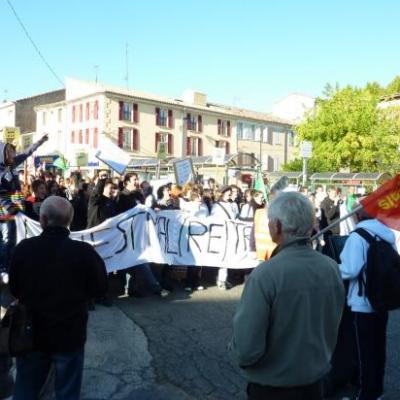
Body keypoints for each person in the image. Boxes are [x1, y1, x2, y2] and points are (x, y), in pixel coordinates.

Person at [230, 192, 345, 400]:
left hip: (273, 387)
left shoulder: (265, 275)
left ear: (276, 226)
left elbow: (247, 349)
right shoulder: (330, 267)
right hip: (315, 382)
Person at [9, 196, 108, 400]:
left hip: (31, 334)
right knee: (67, 392)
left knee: (26, 387)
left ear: (42, 220)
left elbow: (14, 288)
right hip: (69, 334)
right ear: (69, 222)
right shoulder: (84, 253)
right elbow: (100, 289)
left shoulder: (24, 249)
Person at [339, 206, 395, 400]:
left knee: (364, 353)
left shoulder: (357, 236)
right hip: (382, 300)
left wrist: (332, 268)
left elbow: (350, 270)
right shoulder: (387, 236)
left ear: (357, 216)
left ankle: (365, 395)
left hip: (362, 302)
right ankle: (376, 391)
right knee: (378, 349)